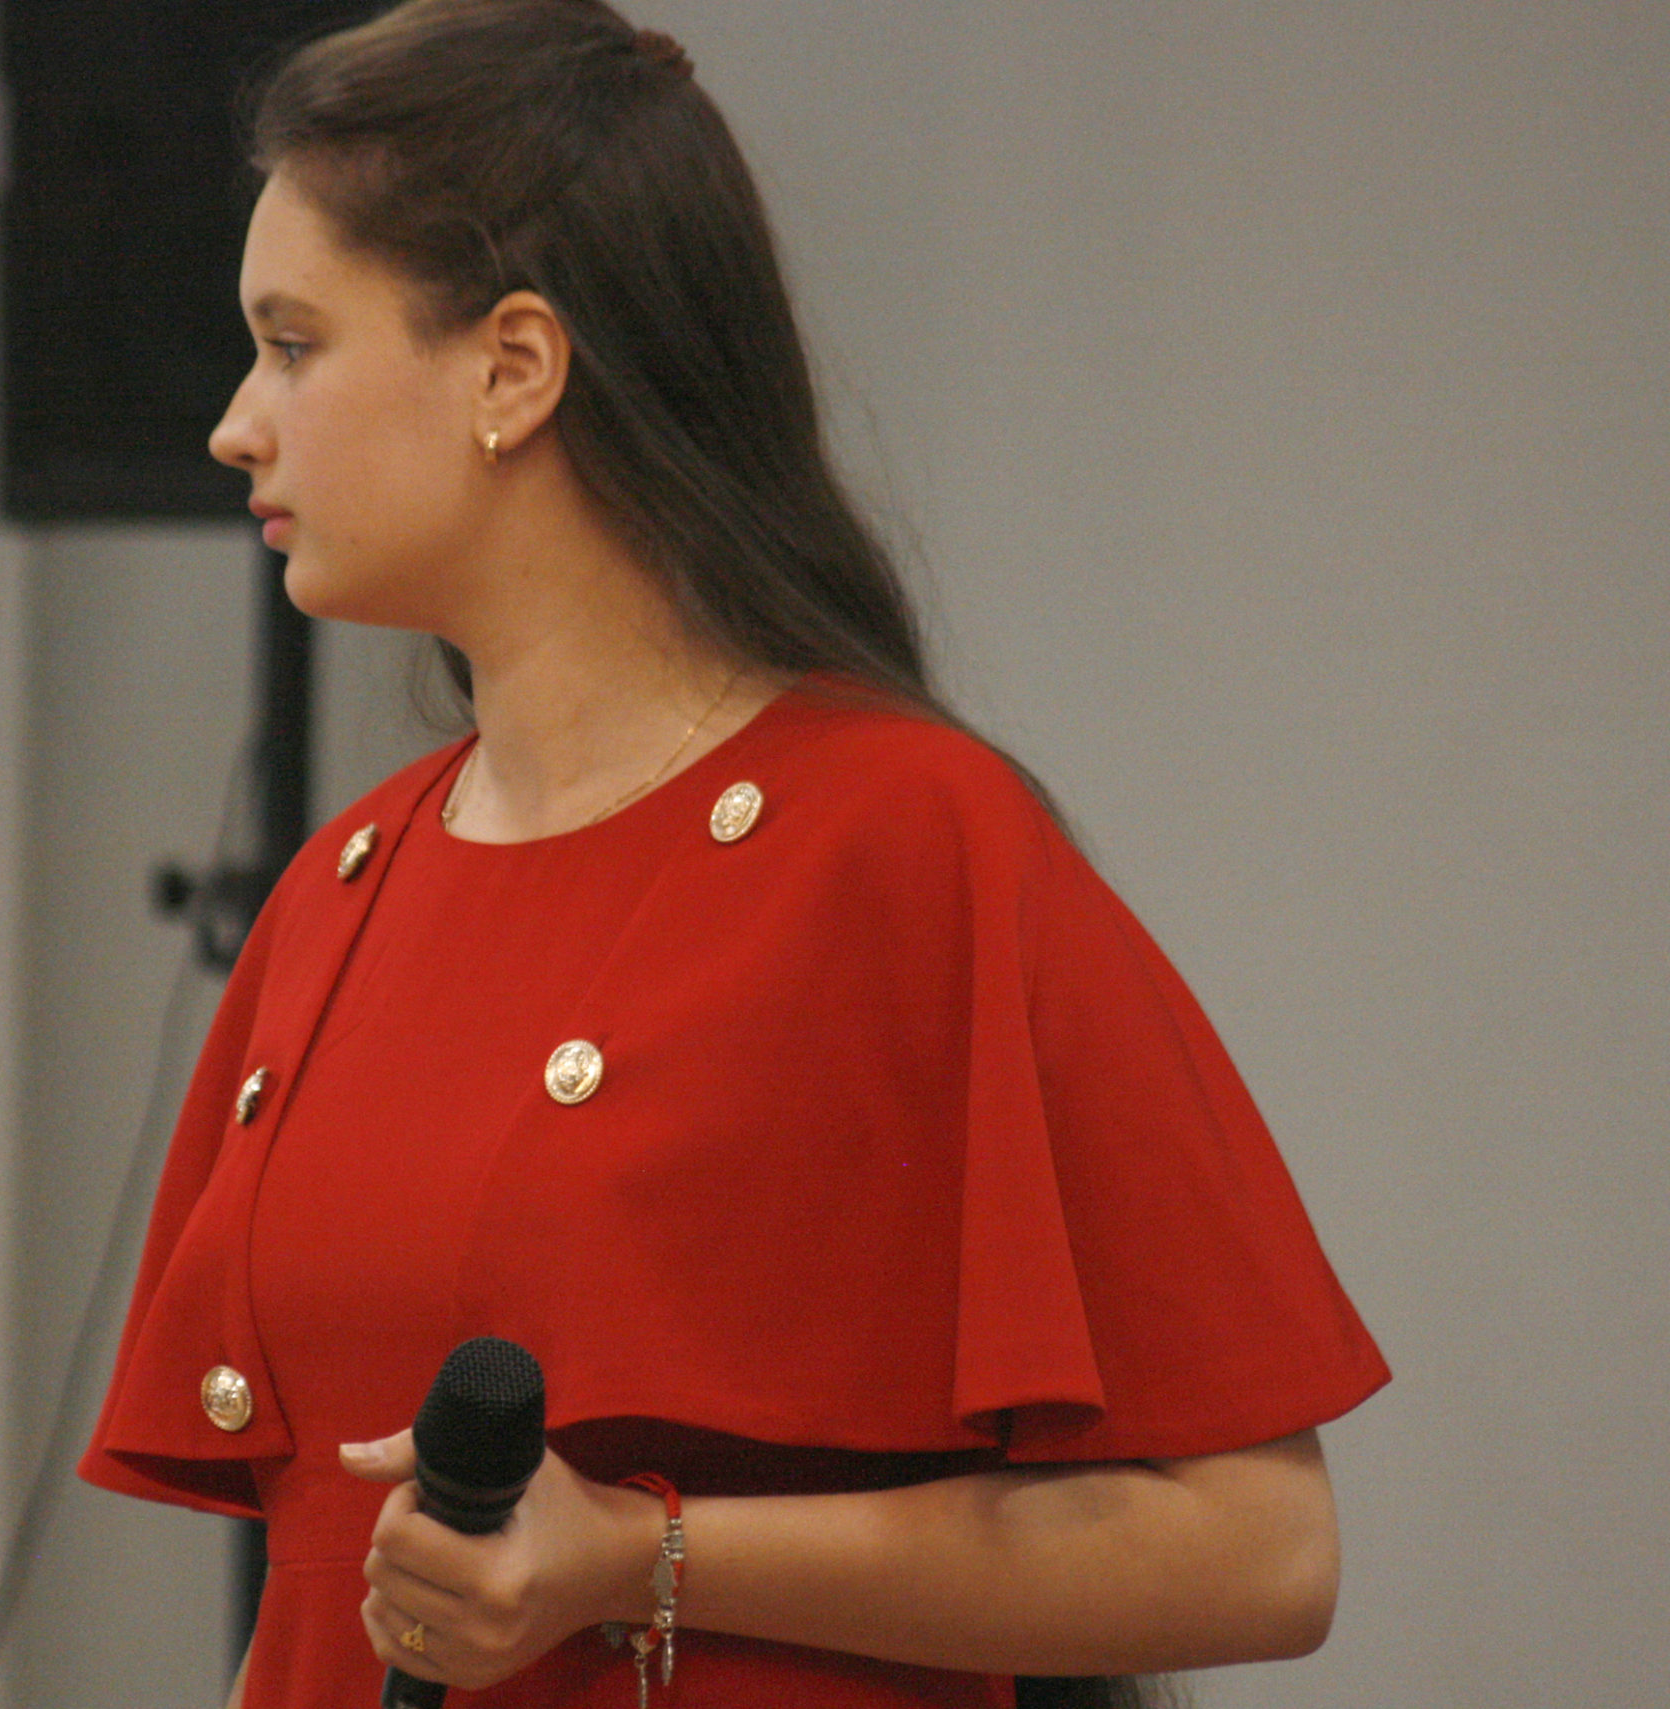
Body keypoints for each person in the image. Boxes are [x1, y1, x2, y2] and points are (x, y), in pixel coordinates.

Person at [79, 3, 1390, 1705]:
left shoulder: (905, 842)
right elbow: (316, 1589)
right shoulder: (340, 893)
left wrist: (638, 1552)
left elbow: (1259, 1545)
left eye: (292, 344)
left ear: (513, 368)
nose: (236, 424)